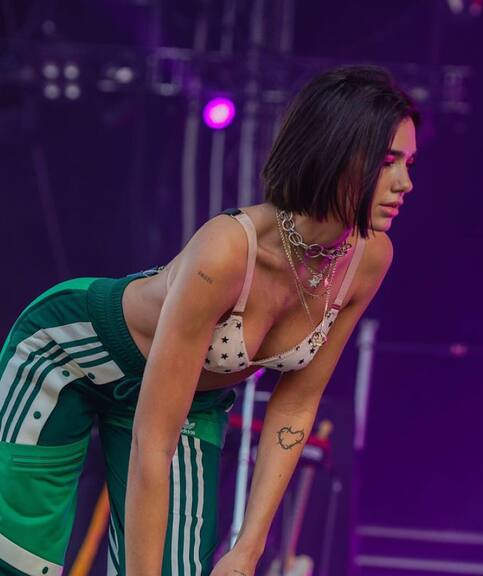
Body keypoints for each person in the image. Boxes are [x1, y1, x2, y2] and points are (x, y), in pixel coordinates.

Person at [0, 64, 419, 576]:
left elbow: (295, 405)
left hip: (188, 402)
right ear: (336, 151)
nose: (405, 182)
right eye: (388, 161)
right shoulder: (227, 250)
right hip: (67, 356)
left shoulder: (368, 261)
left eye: (409, 162)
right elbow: (153, 439)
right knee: (18, 562)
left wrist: (247, 549)